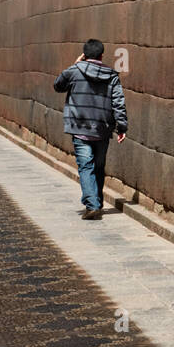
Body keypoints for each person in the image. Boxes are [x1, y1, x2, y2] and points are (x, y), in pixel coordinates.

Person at [53, 39, 127, 219]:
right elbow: (118, 102)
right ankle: (97, 202)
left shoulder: (74, 71)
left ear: (84, 55)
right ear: (102, 55)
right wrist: (122, 126)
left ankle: (93, 205)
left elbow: (58, 86)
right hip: (102, 128)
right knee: (99, 167)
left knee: (86, 166)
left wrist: (76, 64)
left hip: (80, 128)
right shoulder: (112, 75)